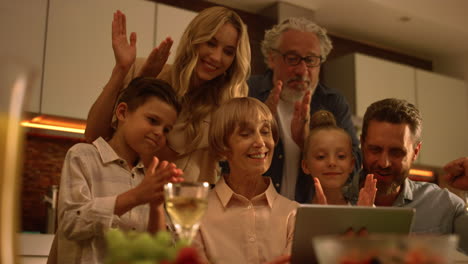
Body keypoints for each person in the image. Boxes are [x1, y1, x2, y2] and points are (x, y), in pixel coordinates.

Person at [85, 7, 251, 184]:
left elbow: (157, 159)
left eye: (228, 51)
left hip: (182, 206)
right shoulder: (142, 69)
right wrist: (124, 71)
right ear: (194, 39)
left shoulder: (222, 107)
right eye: (210, 43)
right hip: (120, 195)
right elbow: (94, 136)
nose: (217, 57)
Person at [55, 77, 184, 263]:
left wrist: (156, 207)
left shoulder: (151, 178)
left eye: (166, 129)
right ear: (123, 112)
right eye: (153, 120)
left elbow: (161, 252)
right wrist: (136, 196)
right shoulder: (83, 157)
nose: (159, 133)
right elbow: (71, 223)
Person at [248, 17, 361, 202]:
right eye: (292, 59)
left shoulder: (333, 102)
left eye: (310, 60)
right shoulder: (248, 92)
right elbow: (224, 157)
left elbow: (354, 164)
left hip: (310, 215)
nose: (302, 70)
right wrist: (260, 131)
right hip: (254, 210)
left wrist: (308, 142)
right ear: (271, 58)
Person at [193, 97, 297, 264]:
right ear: (222, 147)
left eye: (265, 131)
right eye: (245, 134)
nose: (260, 142)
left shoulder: (294, 214)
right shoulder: (194, 213)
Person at [360, 98, 468, 253]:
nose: (384, 163)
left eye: (396, 152)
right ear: (362, 144)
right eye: (375, 149)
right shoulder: (335, 200)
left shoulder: (444, 205)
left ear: (415, 152)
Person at [301, 110, 376, 205]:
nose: (332, 163)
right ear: (306, 166)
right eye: (321, 157)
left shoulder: (364, 206)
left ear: (351, 164)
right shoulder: (294, 212)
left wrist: (363, 215)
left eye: (341, 156)